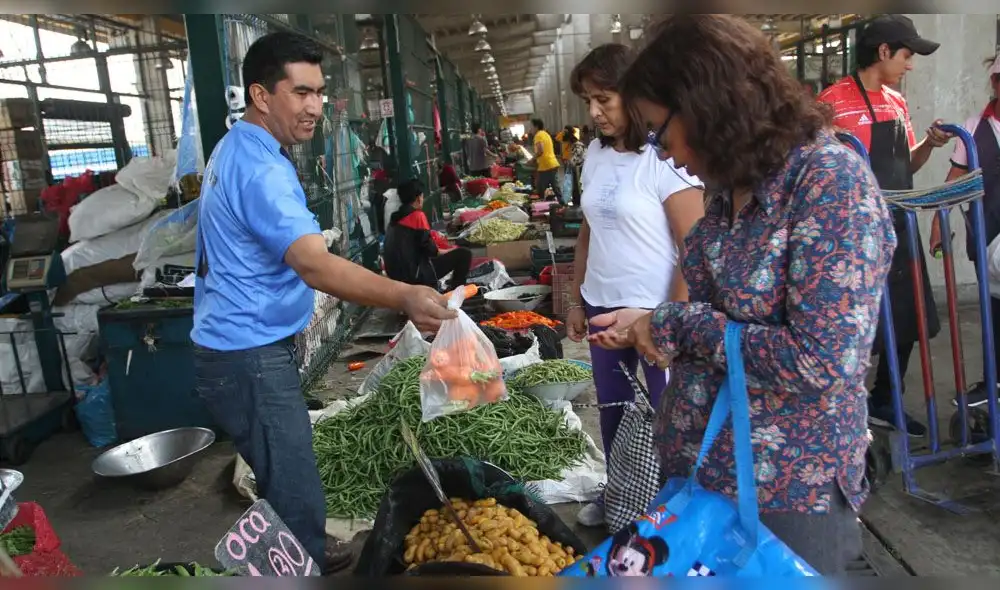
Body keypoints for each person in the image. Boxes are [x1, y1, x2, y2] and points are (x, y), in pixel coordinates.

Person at [590, 15, 896, 575]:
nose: (660, 152)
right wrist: (655, 320)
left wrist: (674, 327)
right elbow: (723, 311)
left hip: (782, 494)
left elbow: (822, 361)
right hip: (701, 473)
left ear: (706, 103)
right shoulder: (727, 187)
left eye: (660, 131)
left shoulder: (829, 184)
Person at [191, 32, 455, 575]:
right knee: (295, 486)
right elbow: (313, 263)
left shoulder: (238, 146)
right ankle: (301, 556)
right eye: (301, 92)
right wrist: (403, 294)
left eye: (319, 92)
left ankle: (299, 543)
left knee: (280, 472)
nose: (316, 107)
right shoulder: (261, 167)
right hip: (249, 355)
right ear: (262, 96)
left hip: (236, 348)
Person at [565, 43, 705, 528]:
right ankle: (621, 492)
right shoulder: (596, 157)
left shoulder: (664, 159)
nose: (594, 111)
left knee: (665, 417)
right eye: (588, 100)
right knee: (614, 413)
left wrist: (672, 321)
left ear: (634, 94)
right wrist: (576, 298)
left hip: (653, 311)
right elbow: (588, 231)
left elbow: (695, 246)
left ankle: (669, 508)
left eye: (604, 98)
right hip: (603, 306)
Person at [817, 14, 953, 437]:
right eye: (907, 55)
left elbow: (905, 165)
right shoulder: (830, 104)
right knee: (855, 321)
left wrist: (928, 145)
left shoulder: (896, 102)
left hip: (899, 223)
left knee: (907, 315)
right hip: (851, 232)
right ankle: (845, 405)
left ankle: (886, 397)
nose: (910, 65)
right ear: (883, 52)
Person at [933, 55, 1000, 408]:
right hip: (987, 238)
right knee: (993, 318)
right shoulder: (974, 128)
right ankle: (992, 383)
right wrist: (936, 226)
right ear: (995, 83)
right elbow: (956, 178)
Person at [383, 179, 472, 292]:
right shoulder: (417, 216)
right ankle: (455, 296)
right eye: (422, 196)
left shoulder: (394, 219)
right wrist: (453, 249)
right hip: (414, 275)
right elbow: (432, 251)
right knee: (464, 254)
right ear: (418, 198)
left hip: (396, 275)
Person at [530, 118, 562, 201]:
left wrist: (532, 160)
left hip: (546, 166)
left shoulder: (538, 135)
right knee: (554, 187)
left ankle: (547, 207)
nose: (531, 129)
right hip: (552, 163)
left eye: (531, 127)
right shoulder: (545, 134)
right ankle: (560, 204)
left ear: (536, 127)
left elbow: (540, 151)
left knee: (542, 189)